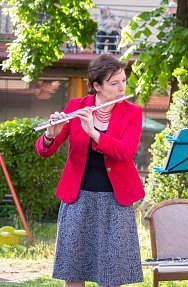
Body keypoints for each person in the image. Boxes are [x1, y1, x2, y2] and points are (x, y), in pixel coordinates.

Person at [35, 55, 144, 287]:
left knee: (111, 275)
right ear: (97, 85)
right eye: (114, 83)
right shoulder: (76, 107)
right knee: (73, 271)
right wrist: (50, 134)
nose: (121, 87)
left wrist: (94, 132)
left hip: (116, 202)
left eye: (123, 81)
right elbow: (46, 150)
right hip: (78, 199)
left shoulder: (132, 112)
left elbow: (126, 152)